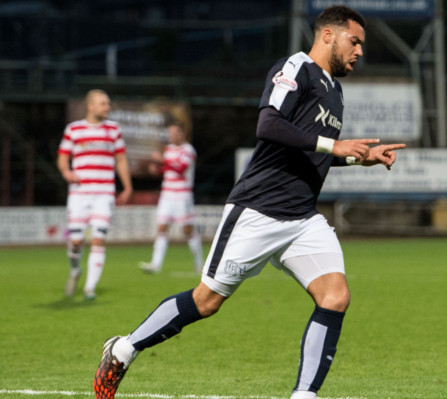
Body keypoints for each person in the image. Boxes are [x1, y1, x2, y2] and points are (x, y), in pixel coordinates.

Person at [93, 6, 406, 399]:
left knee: (335, 296)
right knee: (206, 301)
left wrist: (358, 157)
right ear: (328, 35)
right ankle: (123, 350)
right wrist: (335, 144)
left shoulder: (335, 91)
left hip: (302, 219)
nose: (359, 51)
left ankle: (304, 395)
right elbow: (268, 125)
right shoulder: (296, 67)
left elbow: (315, 152)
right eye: (354, 41)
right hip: (257, 211)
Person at [57, 89, 133, 299]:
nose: (107, 107)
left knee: (98, 239)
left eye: (108, 103)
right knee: (76, 241)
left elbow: (121, 160)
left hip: (104, 193)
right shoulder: (74, 129)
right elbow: (63, 157)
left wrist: (127, 187)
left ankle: (90, 287)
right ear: (90, 106)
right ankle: (75, 270)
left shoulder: (113, 130)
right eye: (103, 104)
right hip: (79, 193)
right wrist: (66, 172)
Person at [138, 122, 203, 274]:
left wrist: (161, 160)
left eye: (174, 133)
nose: (171, 136)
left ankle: (200, 263)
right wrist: (158, 170)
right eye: (170, 134)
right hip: (167, 194)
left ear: (182, 134)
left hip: (182, 196)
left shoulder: (188, 150)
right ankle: (156, 265)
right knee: (161, 228)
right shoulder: (169, 150)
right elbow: (168, 170)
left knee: (187, 230)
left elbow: (181, 169)